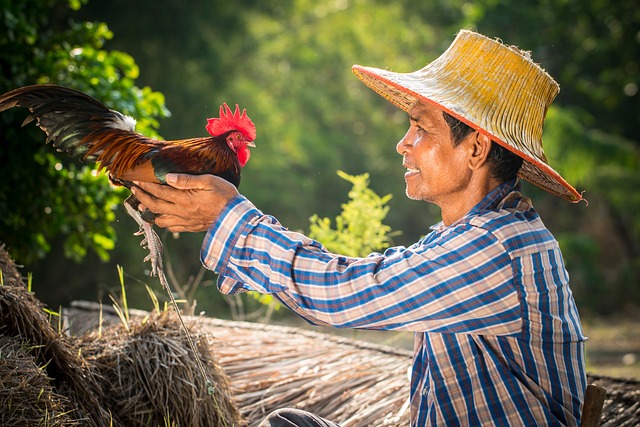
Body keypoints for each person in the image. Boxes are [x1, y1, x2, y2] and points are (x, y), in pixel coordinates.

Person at [133, 30, 587, 426]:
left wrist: (229, 218)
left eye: (421, 129)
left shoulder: (497, 248)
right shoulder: (473, 236)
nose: (403, 144)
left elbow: (346, 291)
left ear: (476, 149)